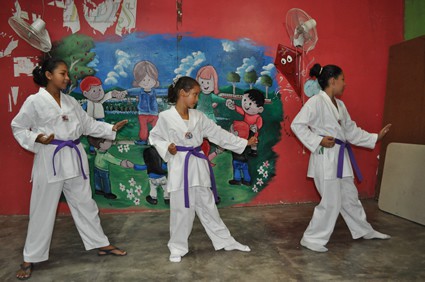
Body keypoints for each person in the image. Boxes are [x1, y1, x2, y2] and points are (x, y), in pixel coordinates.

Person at [11, 58, 128, 280]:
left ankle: (100, 243)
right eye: (62, 73)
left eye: (67, 74)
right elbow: (18, 127)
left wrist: (109, 128)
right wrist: (38, 137)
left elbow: (87, 124)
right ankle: (30, 257)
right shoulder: (34, 101)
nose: (67, 78)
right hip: (50, 158)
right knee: (42, 209)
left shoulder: (71, 101)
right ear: (48, 75)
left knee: (86, 204)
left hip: (74, 157)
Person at [148, 76, 258, 262]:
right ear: (183, 93)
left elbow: (218, 134)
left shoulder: (199, 117)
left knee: (208, 207)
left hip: (198, 166)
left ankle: (225, 240)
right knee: (181, 210)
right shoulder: (165, 117)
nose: (197, 99)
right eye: (195, 94)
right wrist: (167, 147)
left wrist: (243, 143)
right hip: (180, 166)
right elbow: (154, 137)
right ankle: (177, 247)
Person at [290, 63, 392, 253]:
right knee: (331, 201)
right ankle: (311, 238)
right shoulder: (315, 102)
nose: (345, 83)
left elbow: (350, 131)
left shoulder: (340, 105)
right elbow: (297, 125)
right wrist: (318, 140)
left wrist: (375, 137)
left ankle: (363, 230)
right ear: (332, 80)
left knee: (349, 196)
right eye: (342, 79)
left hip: (341, 158)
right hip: (325, 157)